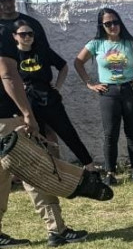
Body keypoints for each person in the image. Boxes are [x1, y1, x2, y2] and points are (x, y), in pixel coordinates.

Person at [0, 27, 88, 249]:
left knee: (1, 178)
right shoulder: (2, 36)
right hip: (8, 117)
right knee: (35, 170)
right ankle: (57, 230)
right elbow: (8, 74)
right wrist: (27, 113)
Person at [11, 20, 96, 170]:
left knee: (68, 132)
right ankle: (46, 170)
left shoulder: (42, 50)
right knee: (36, 137)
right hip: (28, 100)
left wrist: (57, 86)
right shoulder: (11, 56)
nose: (27, 37)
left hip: (48, 97)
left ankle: (89, 166)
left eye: (30, 34)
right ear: (14, 36)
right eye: (23, 34)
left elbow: (63, 66)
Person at [74, 7, 133, 185]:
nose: (113, 26)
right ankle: (110, 172)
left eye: (115, 22)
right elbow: (78, 62)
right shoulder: (96, 43)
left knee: (132, 132)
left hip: (130, 90)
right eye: (108, 23)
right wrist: (90, 83)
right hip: (109, 92)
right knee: (110, 134)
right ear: (102, 25)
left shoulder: (130, 42)